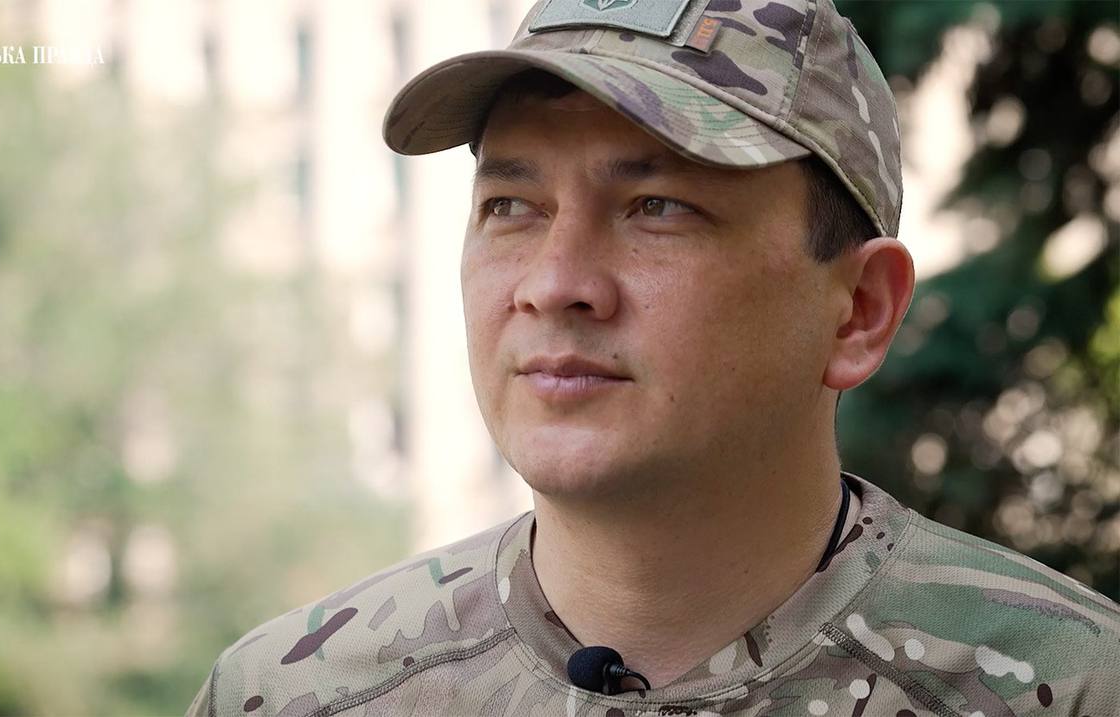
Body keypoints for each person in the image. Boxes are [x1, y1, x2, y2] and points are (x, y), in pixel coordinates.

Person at [187, 0, 1120, 714]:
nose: (555, 283)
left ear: (859, 311)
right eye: (511, 206)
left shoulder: (1072, 685)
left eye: (658, 207)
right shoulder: (299, 692)